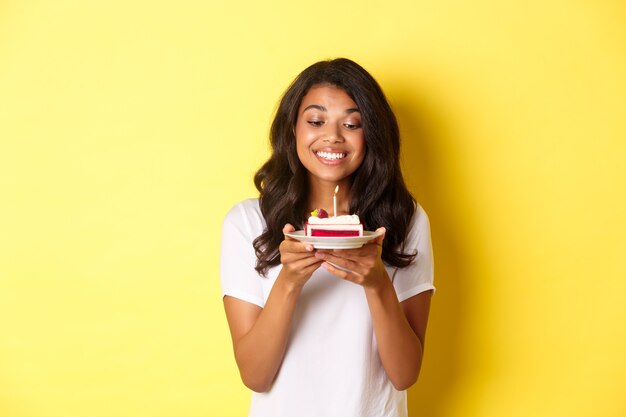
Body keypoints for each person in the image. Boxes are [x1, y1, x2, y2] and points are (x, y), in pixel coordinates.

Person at [220, 58, 435, 417]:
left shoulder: (404, 219)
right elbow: (255, 376)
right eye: (316, 121)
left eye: (352, 124)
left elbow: (405, 374)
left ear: (372, 135)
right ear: (293, 128)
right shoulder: (247, 222)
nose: (333, 136)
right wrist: (289, 280)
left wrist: (377, 282)